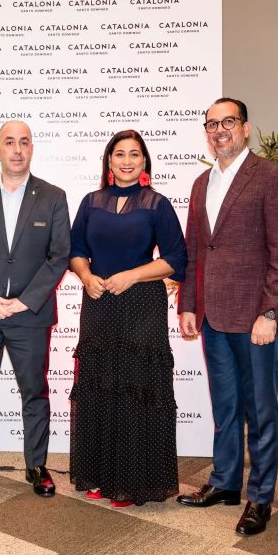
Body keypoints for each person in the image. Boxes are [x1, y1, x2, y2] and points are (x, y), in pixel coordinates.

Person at [177, 98, 278, 536]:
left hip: (255, 322)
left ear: (245, 128)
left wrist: (271, 312)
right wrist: (189, 304)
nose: (219, 130)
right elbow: (195, 251)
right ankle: (226, 483)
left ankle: (260, 498)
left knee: (260, 411)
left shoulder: (271, 177)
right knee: (225, 408)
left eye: (228, 122)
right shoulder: (199, 184)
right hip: (212, 317)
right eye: (211, 124)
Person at [68, 130, 187, 507]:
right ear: (108, 161)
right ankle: (100, 474)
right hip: (99, 303)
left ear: (145, 162)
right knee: (100, 385)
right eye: (119, 154)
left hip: (141, 306)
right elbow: (75, 250)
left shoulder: (157, 203)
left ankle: (134, 482)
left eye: (135, 154)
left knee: (135, 389)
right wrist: (86, 277)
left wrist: (133, 275)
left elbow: (176, 258)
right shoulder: (91, 202)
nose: (127, 160)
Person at [0, 119, 70, 498]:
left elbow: (59, 257)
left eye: (24, 142)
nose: (17, 149)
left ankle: (36, 465)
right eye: (9, 142)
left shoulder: (53, 196)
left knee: (34, 391)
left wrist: (23, 301)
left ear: (32, 148)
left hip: (29, 315)